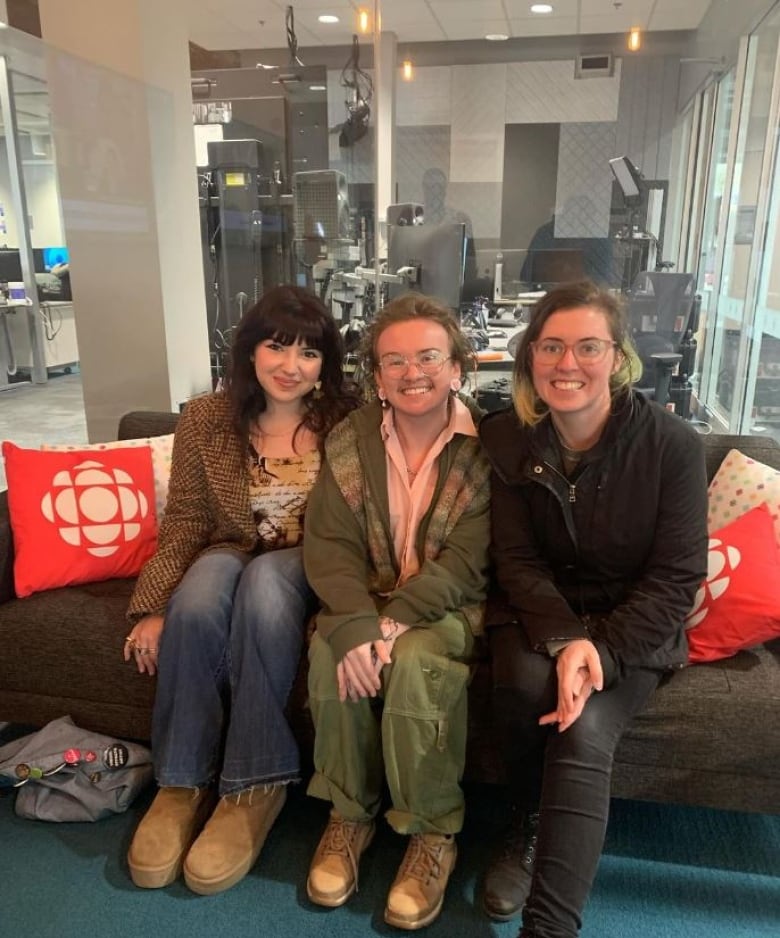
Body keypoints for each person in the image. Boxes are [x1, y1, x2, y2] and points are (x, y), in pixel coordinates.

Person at [478, 280, 708, 937]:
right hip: (540, 614)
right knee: (523, 687)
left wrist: (600, 651)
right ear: (530, 358)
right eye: (551, 346)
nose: (566, 363)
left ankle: (548, 929)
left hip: (635, 624)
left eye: (586, 346)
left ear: (618, 356)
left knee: (582, 730)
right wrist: (564, 640)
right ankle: (525, 819)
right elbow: (517, 563)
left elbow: (675, 577)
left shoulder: (673, 447)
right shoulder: (506, 442)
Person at [123, 284, 359, 896]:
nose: (290, 365)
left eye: (309, 353)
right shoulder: (207, 417)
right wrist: (153, 608)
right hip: (230, 549)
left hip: (314, 559)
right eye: (276, 346)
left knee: (262, 583)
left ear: (325, 364)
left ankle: (256, 783)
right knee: (197, 603)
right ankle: (180, 782)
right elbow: (188, 521)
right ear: (250, 350)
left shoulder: (348, 419)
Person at [303, 293, 491, 930]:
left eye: (429, 356)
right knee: (332, 654)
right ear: (377, 377)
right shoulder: (349, 440)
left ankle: (432, 829)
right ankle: (348, 815)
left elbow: (468, 561)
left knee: (414, 662)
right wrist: (359, 627)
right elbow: (328, 545)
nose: (414, 372)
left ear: (457, 367)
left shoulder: (488, 448)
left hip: (447, 604)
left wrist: (392, 623)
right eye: (395, 360)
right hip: (365, 597)